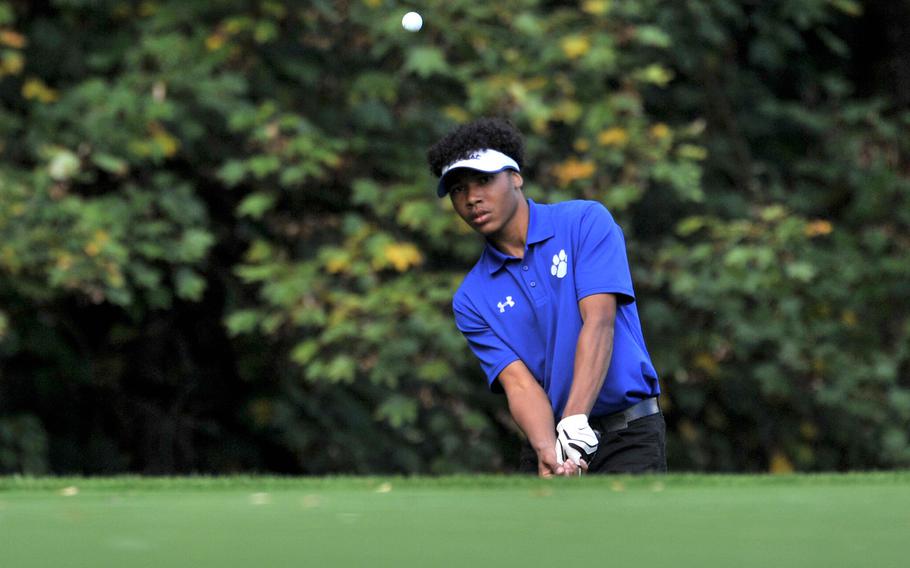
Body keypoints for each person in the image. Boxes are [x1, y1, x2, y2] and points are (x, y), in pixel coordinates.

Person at [427, 117, 666, 477]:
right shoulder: (471, 298)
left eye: (484, 180)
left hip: (629, 437)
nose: (472, 198)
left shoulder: (585, 222)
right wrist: (547, 449)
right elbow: (519, 383)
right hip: (552, 442)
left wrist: (574, 420)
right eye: (459, 189)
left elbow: (599, 323)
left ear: (515, 176)